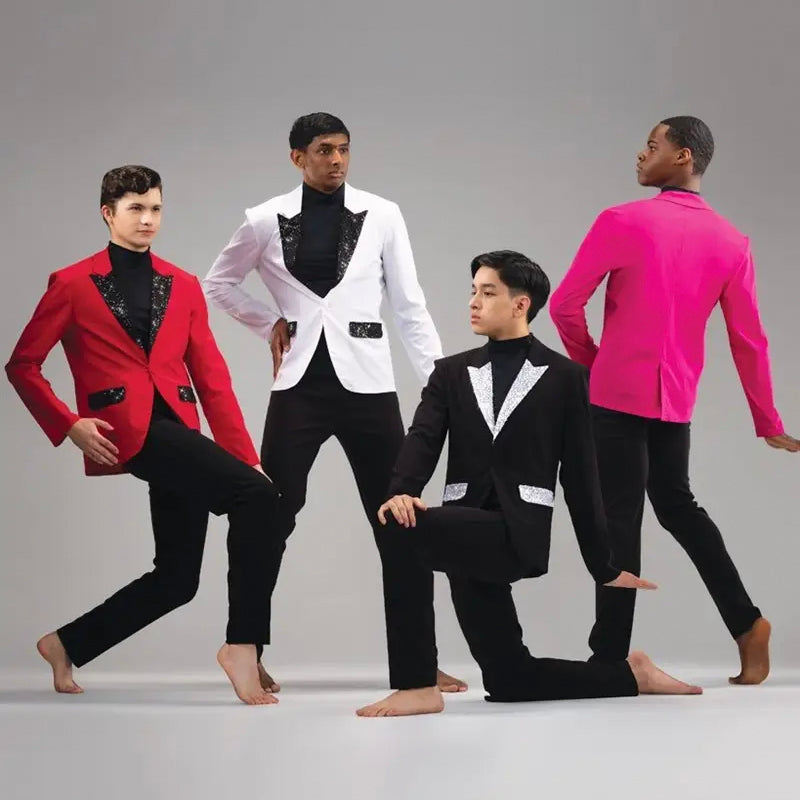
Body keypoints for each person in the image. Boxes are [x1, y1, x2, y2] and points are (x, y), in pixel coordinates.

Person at [357, 250, 702, 717]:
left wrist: (602, 564)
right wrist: (404, 488)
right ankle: (630, 674)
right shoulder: (450, 373)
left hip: (514, 532)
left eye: (488, 292)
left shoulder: (567, 378)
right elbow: (423, 438)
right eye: (473, 291)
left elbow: (581, 477)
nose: (473, 302)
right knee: (510, 679)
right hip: (464, 528)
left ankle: (417, 684)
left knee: (402, 532)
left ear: (521, 304)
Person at [203, 112, 466, 693]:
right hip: (299, 385)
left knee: (399, 516)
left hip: (369, 385)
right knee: (269, 511)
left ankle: (417, 661)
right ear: (297, 157)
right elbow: (217, 283)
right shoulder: (263, 218)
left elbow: (410, 306)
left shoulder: (383, 214)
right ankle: (243, 646)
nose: (337, 160)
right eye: (324, 150)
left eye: (344, 149)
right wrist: (268, 320)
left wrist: (441, 384)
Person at [6, 165, 280, 705]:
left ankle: (64, 644)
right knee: (258, 500)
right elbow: (23, 365)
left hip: (179, 427)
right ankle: (243, 646)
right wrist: (69, 424)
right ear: (108, 214)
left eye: (155, 208)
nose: (148, 218)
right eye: (135, 208)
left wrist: (244, 455)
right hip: (127, 429)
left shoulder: (183, 284)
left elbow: (211, 377)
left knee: (177, 580)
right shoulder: (72, 283)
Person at [549, 116, 800, 684]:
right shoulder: (733, 242)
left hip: (617, 394)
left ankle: (609, 660)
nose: (641, 155)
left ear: (683, 156)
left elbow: (564, 306)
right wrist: (766, 418)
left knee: (618, 520)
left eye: (652, 146)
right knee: (677, 506)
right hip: (675, 398)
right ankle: (747, 623)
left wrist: (593, 364)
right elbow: (748, 339)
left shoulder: (621, 220)